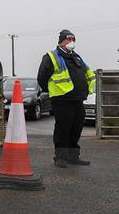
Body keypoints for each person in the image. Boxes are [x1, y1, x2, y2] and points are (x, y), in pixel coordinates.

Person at [37, 29, 96, 167]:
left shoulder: (76, 56)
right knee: (63, 129)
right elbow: (42, 77)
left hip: (78, 99)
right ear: (61, 42)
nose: (71, 42)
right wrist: (51, 90)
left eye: (73, 40)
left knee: (76, 128)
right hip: (62, 100)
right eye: (68, 40)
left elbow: (86, 73)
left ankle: (73, 157)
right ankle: (60, 157)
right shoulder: (51, 56)